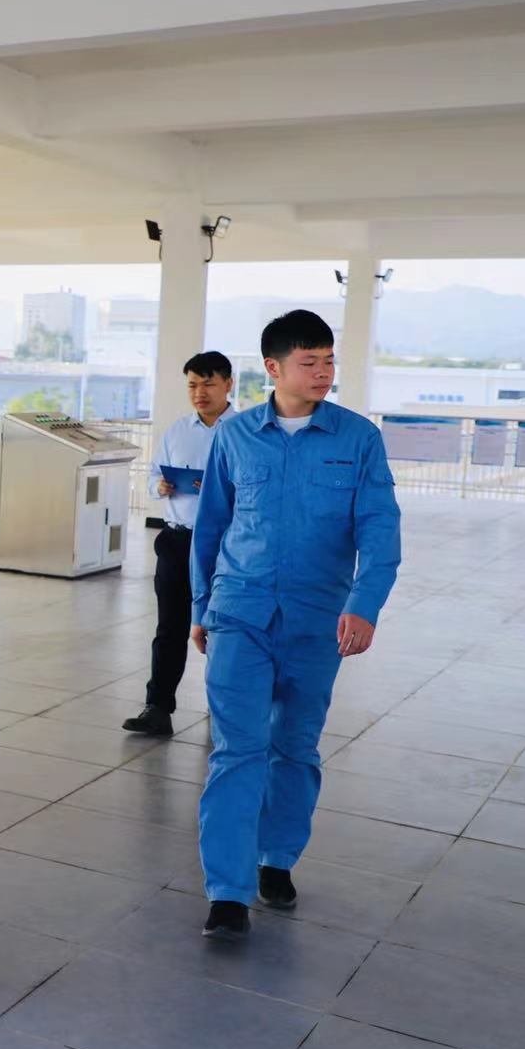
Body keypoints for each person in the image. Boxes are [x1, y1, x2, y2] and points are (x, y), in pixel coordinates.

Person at [190, 309, 401, 941]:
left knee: (296, 747)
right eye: (310, 362)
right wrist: (201, 607)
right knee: (237, 750)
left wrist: (364, 603)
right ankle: (227, 892)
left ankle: (276, 858)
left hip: (317, 619)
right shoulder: (235, 437)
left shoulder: (358, 439)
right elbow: (211, 526)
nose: (324, 373)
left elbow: (379, 527)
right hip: (240, 612)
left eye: (329, 361)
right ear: (274, 368)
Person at [122, 352, 236, 737]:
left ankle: (224, 708)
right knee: (169, 626)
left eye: (208, 384)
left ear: (228, 385)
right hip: (176, 539)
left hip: (224, 545)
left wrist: (217, 489)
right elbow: (153, 475)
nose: (199, 392)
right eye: (192, 385)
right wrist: (160, 486)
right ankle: (158, 707)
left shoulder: (245, 433)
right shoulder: (177, 431)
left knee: (222, 626)